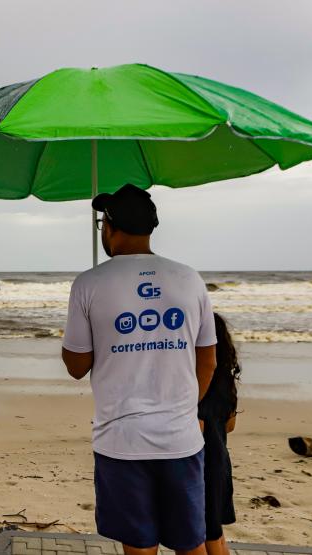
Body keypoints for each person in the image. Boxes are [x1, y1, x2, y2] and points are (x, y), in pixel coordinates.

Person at [61, 183, 217, 555]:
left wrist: (103, 334)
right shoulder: (189, 278)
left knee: (140, 546)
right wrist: (186, 410)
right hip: (180, 438)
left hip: (121, 440)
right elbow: (208, 360)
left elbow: (76, 366)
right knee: (190, 544)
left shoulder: (89, 283)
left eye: (102, 223)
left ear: (109, 228)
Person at [199, 313, 240, 555]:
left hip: (204, 466)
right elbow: (230, 426)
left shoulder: (196, 382)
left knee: (208, 535)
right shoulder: (226, 380)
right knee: (216, 534)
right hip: (221, 462)